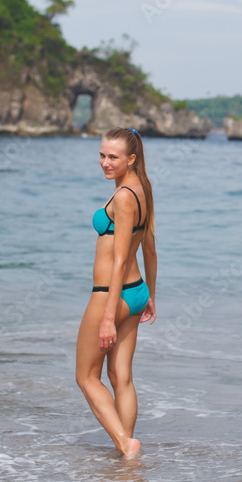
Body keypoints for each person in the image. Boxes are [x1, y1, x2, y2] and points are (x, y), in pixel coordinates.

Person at [76, 127, 157, 458]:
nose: (105, 162)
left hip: (112, 293)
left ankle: (126, 444)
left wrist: (109, 317)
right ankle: (126, 456)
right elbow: (149, 249)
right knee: (120, 377)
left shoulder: (124, 197)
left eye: (113, 157)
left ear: (131, 159)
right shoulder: (142, 190)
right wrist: (150, 294)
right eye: (101, 154)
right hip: (135, 292)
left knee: (86, 376)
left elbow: (122, 257)